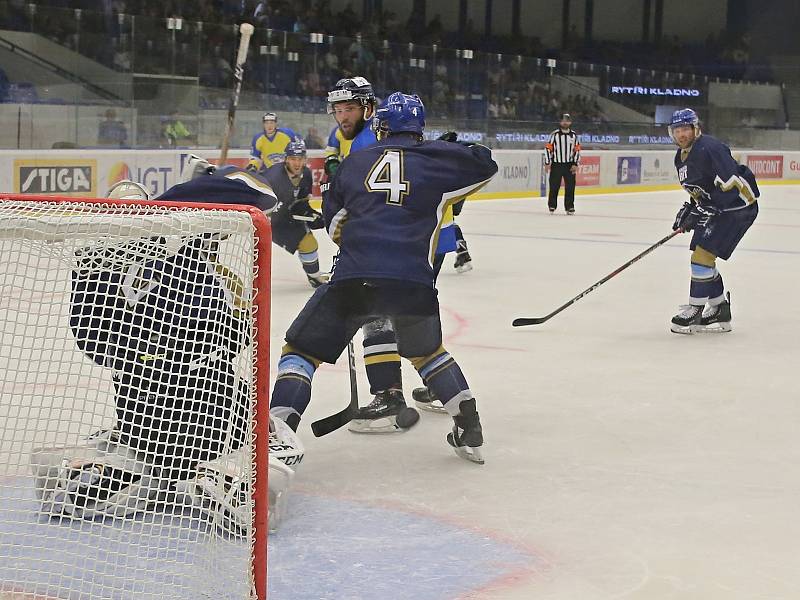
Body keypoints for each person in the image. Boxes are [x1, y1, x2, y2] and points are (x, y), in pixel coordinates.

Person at [30, 164, 303, 531]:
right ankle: (230, 478)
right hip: (213, 404)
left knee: (141, 448)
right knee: (276, 441)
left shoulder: (92, 261)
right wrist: (206, 179)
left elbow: (90, 341)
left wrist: (139, 354)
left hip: (140, 413)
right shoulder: (184, 233)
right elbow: (261, 191)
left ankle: (114, 473)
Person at [270, 91, 498, 463]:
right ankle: (469, 426)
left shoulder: (355, 161)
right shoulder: (437, 163)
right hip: (414, 283)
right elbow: (485, 163)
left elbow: (335, 223)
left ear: (381, 126)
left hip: (354, 277)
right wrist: (445, 149)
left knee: (301, 352)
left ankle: (277, 436)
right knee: (427, 353)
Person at [668, 108, 759, 334]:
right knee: (701, 255)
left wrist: (707, 207)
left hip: (738, 207)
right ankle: (719, 308)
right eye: (677, 130)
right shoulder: (680, 157)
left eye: (685, 129)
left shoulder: (709, 147)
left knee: (702, 256)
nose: (681, 134)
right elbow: (702, 188)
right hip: (719, 208)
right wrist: (693, 206)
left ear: (695, 128)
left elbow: (733, 183)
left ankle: (695, 310)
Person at [262, 140, 329, 288]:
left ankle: (314, 277)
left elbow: (301, 202)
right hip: (266, 221)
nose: (297, 163)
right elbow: (272, 215)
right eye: (293, 159)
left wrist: (310, 214)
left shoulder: (306, 174)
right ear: (286, 159)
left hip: (283, 216)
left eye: (300, 159)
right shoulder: (274, 179)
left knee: (309, 244)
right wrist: (301, 217)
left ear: (305, 159)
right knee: (257, 255)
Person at [544, 113, 581, 214]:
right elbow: (548, 148)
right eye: (563, 120)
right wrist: (547, 162)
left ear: (570, 122)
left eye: (567, 120)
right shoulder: (554, 134)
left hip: (569, 164)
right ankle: (552, 205)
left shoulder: (573, 135)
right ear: (560, 122)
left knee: (570, 186)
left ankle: (569, 207)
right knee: (554, 185)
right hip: (556, 164)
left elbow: (577, 150)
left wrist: (575, 163)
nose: (565, 122)